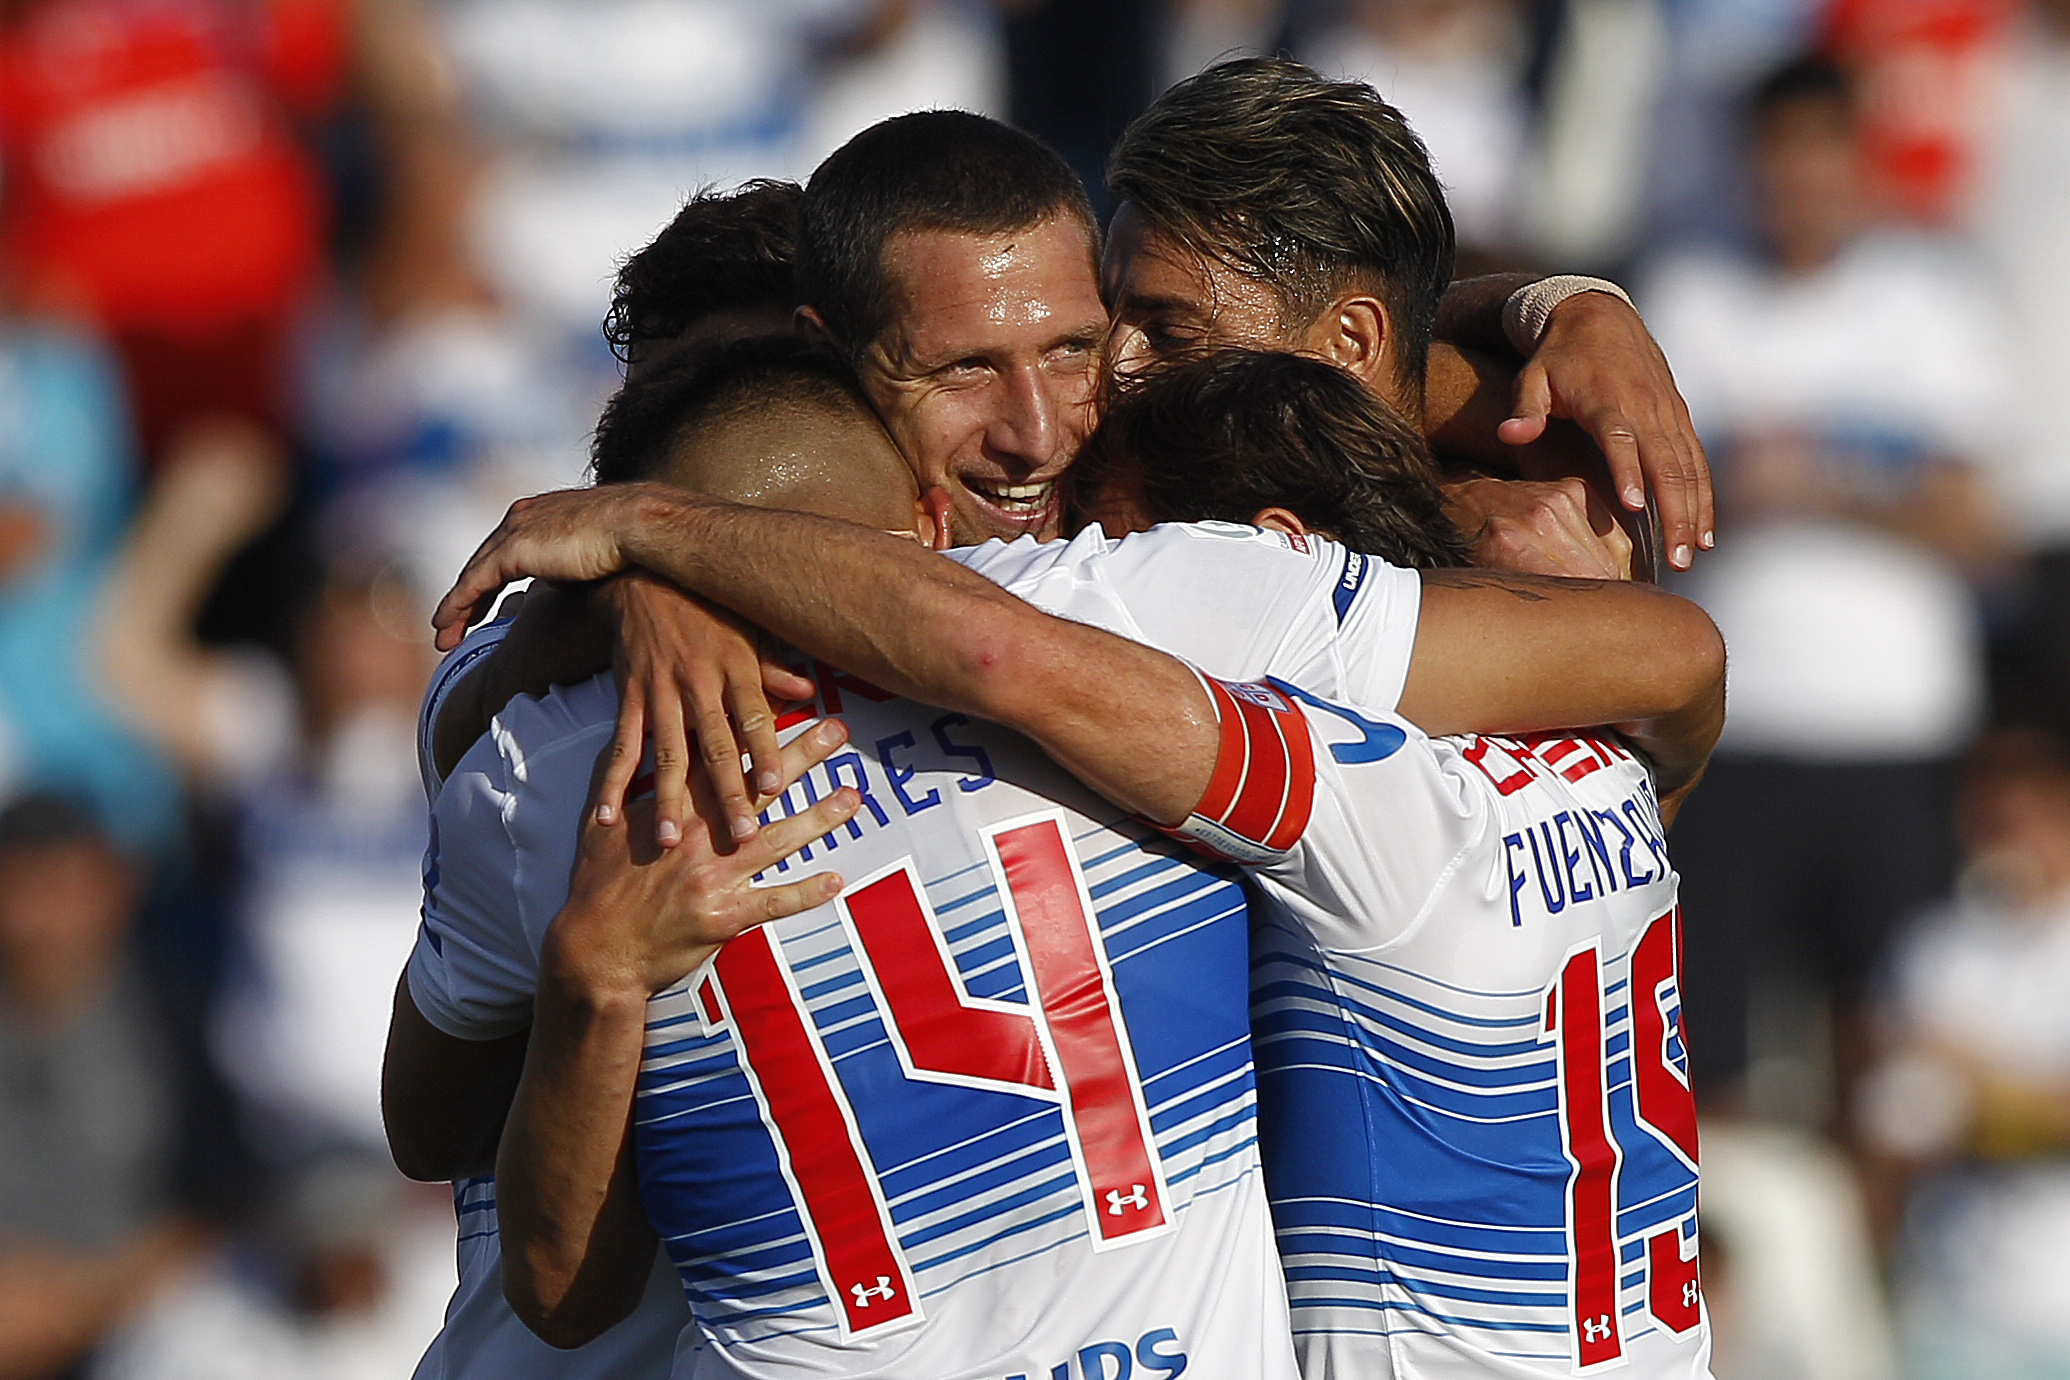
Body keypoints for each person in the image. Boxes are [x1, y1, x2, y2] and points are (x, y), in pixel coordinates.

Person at [430, 345, 1724, 1377]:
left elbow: (490, 1202)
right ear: (931, 524)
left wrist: (592, 984)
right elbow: (1672, 659)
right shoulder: (1146, 614)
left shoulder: (526, 770)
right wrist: (1557, 308)